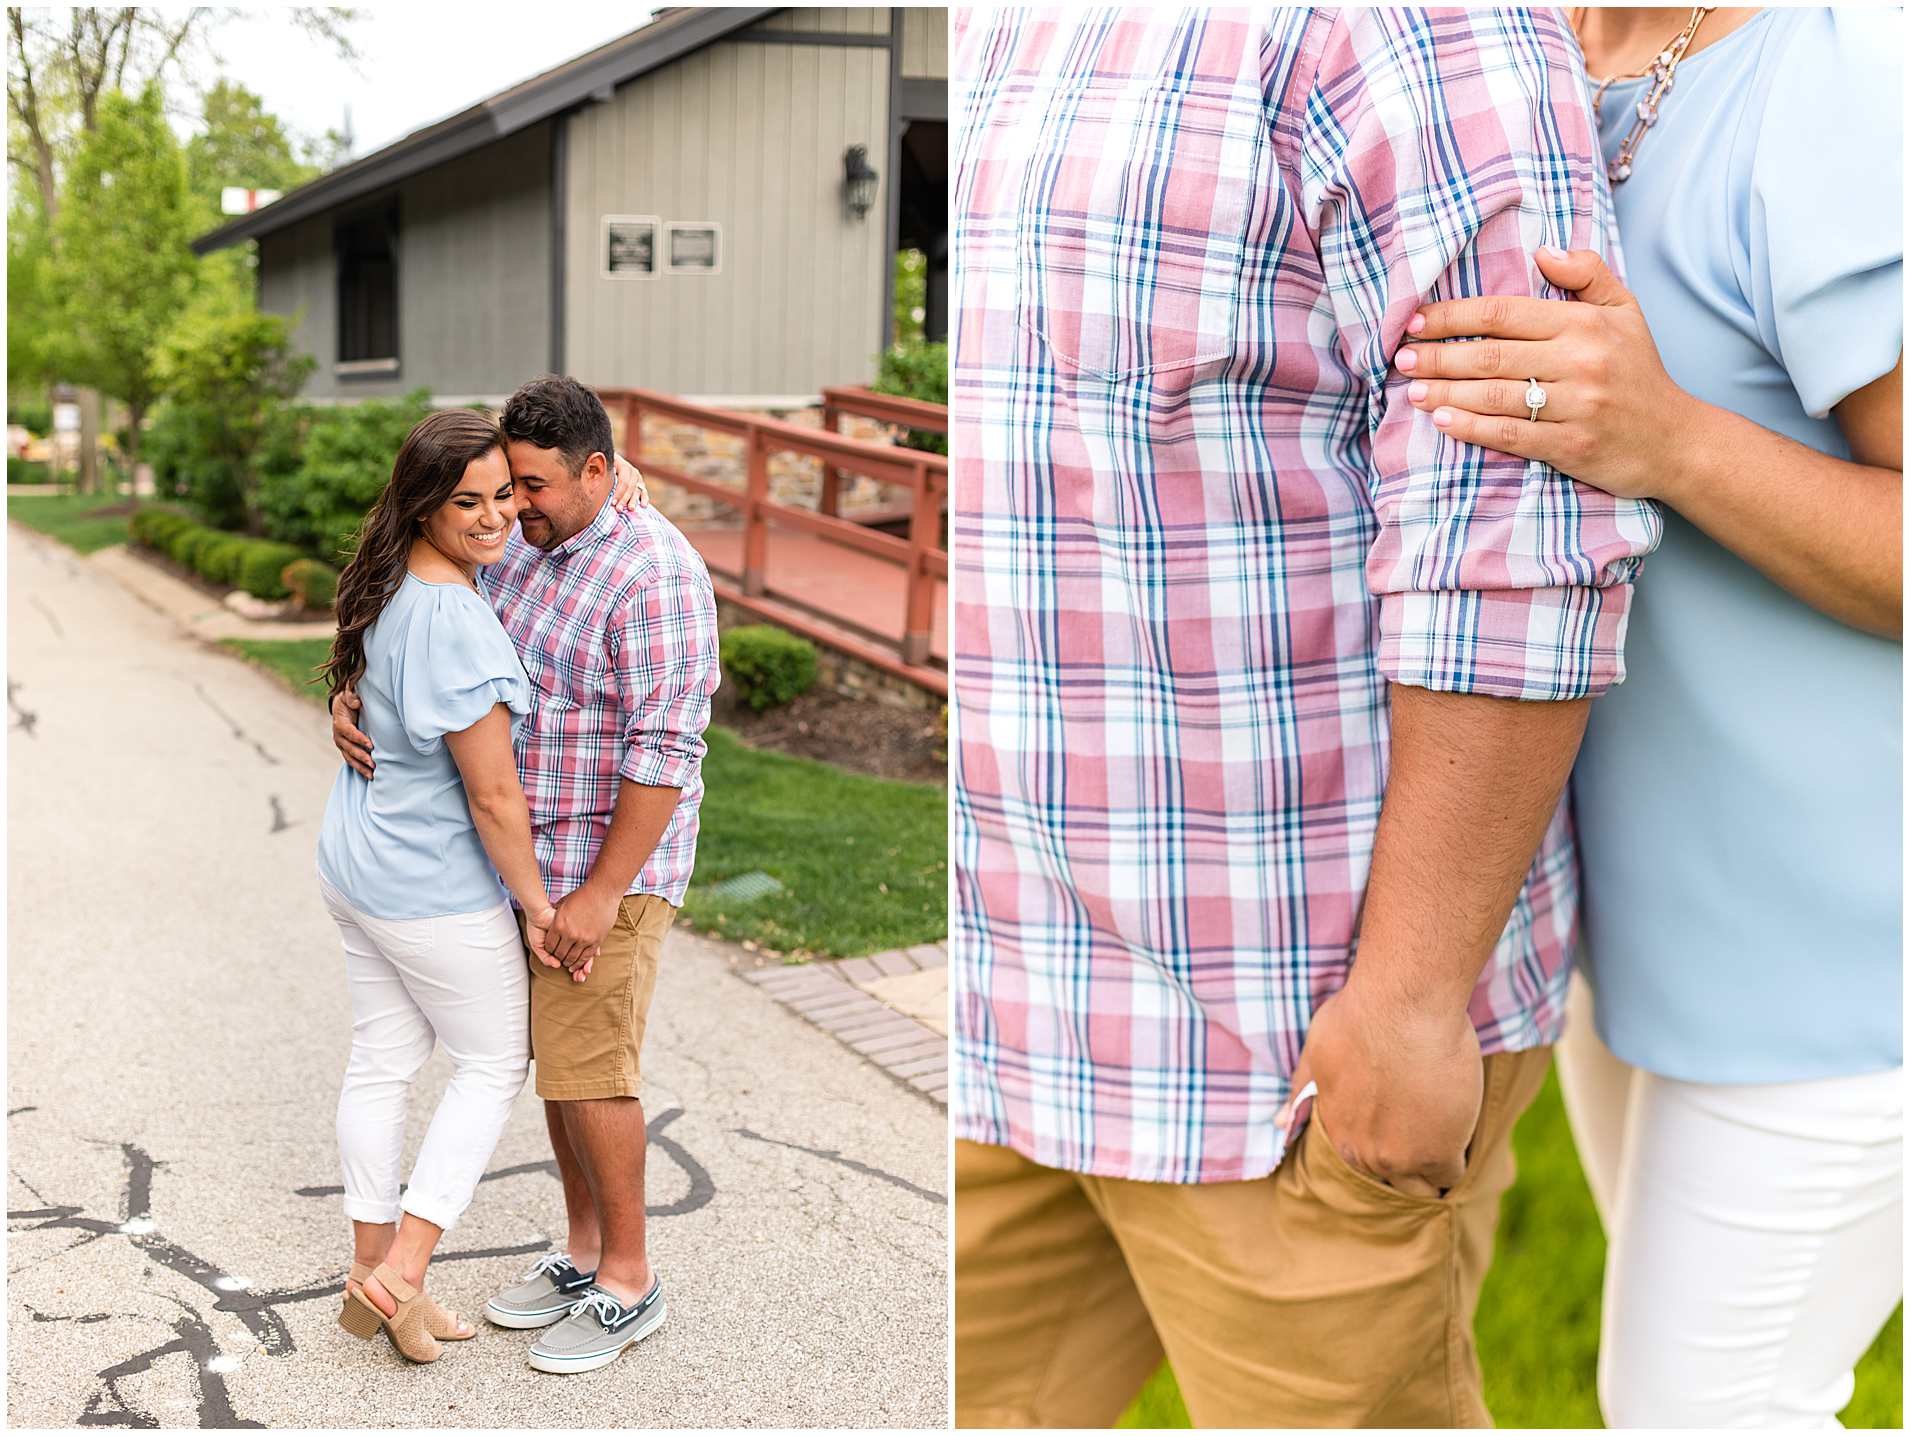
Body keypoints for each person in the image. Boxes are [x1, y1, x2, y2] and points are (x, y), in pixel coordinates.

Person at [950, 6, 1659, 1427]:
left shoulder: (1414, 24)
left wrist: (1404, 1000)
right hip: (1004, 1011)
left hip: (1291, 1037)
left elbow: (1513, 531)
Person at [1393, 6, 1902, 1424]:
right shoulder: (1533, 56)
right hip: (1641, 946)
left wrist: (1670, 440)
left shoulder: (1836, 86)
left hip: (1849, 964)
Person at [332, 375, 720, 1375]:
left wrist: (594, 895)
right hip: (516, 866)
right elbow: (418, 631)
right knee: (554, 1062)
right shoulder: (526, 546)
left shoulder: (653, 574)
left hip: (604, 870)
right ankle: (583, 1251)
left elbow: (665, 752)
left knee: (591, 1070)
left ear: (600, 471)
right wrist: (348, 695)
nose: (513, 506)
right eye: (503, 486)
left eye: (531, 487)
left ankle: (630, 1278)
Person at [318, 408, 560, 1364]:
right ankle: (403, 1271)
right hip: (427, 885)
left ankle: (373, 1284)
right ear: (424, 505)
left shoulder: (389, 580)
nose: (497, 516)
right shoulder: (458, 617)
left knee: (383, 1057)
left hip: (357, 865)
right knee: (495, 1062)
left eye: (507, 494)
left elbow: (369, 694)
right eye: (469, 502)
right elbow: (494, 797)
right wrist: (539, 908)